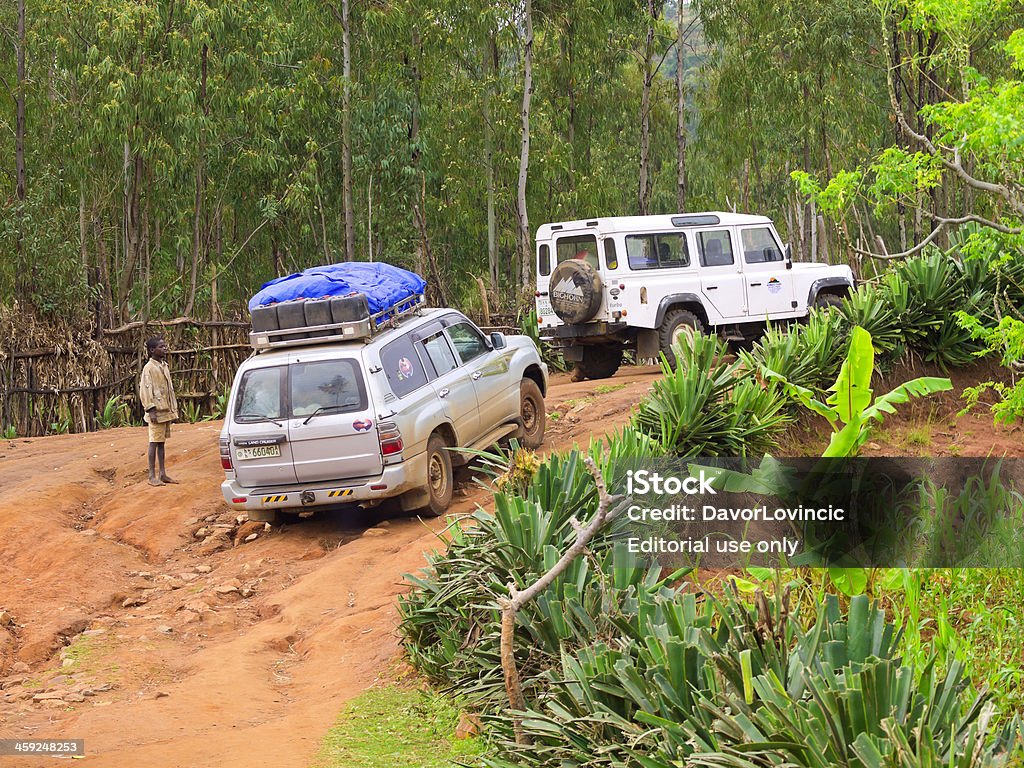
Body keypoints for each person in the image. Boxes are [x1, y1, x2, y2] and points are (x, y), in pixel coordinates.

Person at [139, 336, 179, 486]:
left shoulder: (164, 366)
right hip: (156, 411)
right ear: (151, 350)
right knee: (154, 442)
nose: (165, 348)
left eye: (164, 346)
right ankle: (151, 476)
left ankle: (162, 473)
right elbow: (145, 390)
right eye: (161, 347)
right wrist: (151, 410)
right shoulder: (149, 369)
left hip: (165, 410)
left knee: (161, 443)